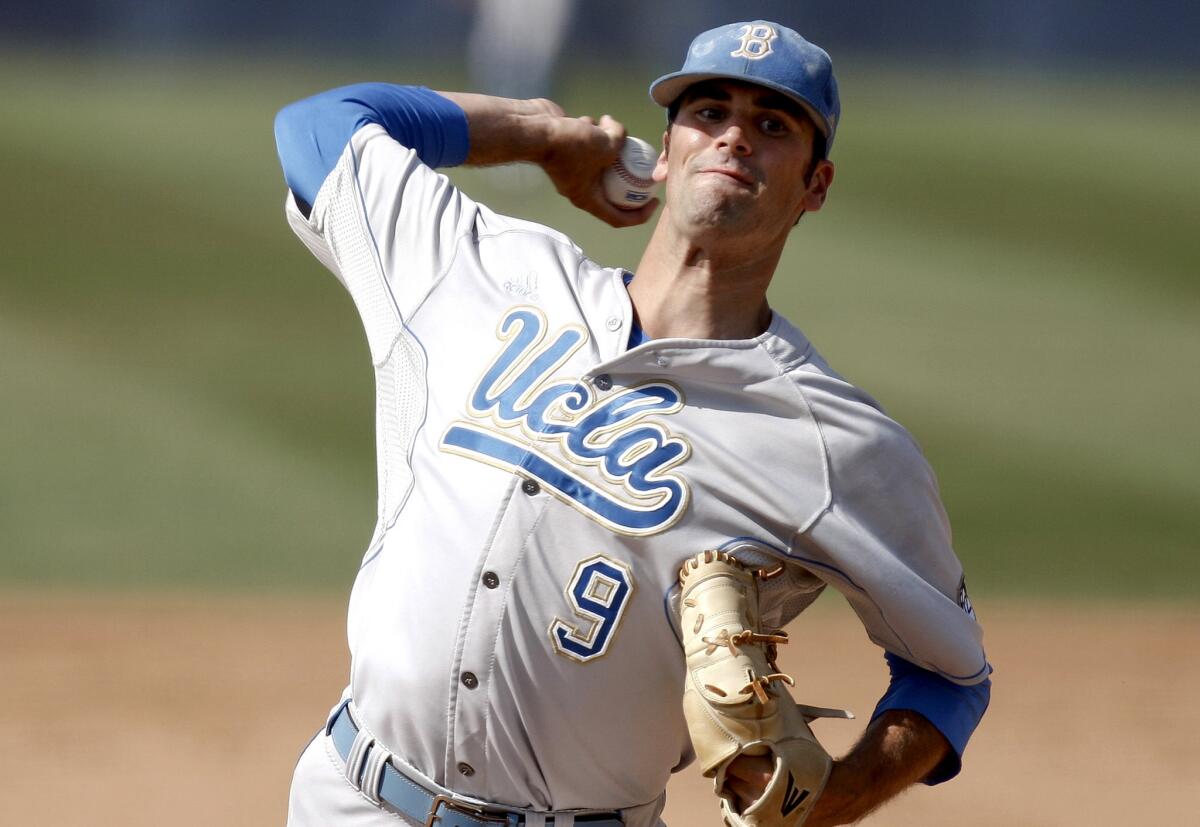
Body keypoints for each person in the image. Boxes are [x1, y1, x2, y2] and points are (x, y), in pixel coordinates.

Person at [273, 19, 991, 827]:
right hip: (353, 799)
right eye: (709, 111)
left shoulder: (836, 445)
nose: (733, 138)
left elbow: (950, 675)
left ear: (815, 185)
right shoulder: (489, 272)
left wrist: (835, 799)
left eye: (772, 125)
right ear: (669, 144)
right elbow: (318, 128)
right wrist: (538, 135)